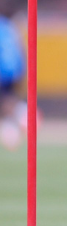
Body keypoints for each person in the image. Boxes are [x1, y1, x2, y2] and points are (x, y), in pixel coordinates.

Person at [0, 11, 25, 151]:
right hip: (14, 70)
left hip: (3, 70)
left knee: (6, 102)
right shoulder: (10, 26)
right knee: (8, 100)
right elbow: (19, 48)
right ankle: (22, 116)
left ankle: (24, 115)